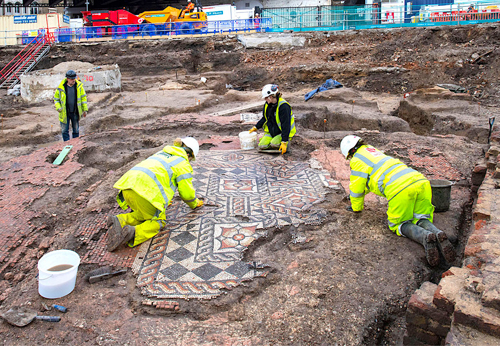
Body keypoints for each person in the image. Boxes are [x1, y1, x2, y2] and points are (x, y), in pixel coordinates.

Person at [340, 135, 455, 267]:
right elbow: (370, 181)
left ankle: (424, 237)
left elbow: (357, 188)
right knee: (420, 218)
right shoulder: (372, 151)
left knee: (398, 224)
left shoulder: (356, 160)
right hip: (420, 181)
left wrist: (356, 207)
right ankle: (437, 233)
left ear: (348, 153)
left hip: (400, 188)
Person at [106, 137, 204, 251]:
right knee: (158, 221)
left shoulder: (162, 153)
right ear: (190, 155)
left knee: (144, 214)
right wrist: (194, 203)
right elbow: (187, 194)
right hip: (145, 193)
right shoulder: (183, 163)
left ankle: (119, 220)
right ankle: (133, 233)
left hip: (126, 187)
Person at [249, 84, 296, 155]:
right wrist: (256, 127)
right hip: (272, 132)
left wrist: (284, 141)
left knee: (274, 144)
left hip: (282, 132)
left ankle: (286, 143)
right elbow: (265, 118)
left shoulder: (284, 107)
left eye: (266, 98)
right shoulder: (267, 105)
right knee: (262, 146)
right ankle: (273, 141)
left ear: (270, 97)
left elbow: (286, 125)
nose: (265, 99)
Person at [53, 70, 88, 142]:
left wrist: (85, 109)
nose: (73, 80)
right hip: (64, 112)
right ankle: (66, 144)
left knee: (76, 130)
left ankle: (75, 143)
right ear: (67, 79)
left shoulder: (79, 87)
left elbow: (83, 99)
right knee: (64, 131)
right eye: (72, 79)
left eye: (74, 79)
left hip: (75, 111)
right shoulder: (61, 88)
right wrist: (58, 107)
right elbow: (56, 99)